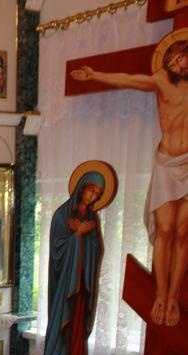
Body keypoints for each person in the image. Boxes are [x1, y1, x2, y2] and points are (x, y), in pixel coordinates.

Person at [71, 37, 188, 326]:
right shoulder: (162, 81)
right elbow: (129, 79)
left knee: (184, 234)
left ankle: (173, 296)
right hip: (167, 163)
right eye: (177, 59)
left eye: (184, 59)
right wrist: (95, 74)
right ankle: (160, 293)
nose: (180, 64)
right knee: (165, 229)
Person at [38, 171, 108, 355]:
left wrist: (86, 239)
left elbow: (96, 250)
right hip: (64, 289)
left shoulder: (92, 219)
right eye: (91, 190)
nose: (93, 196)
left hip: (81, 288)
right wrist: (77, 236)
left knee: (77, 336)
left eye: (97, 194)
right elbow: (56, 251)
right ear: (81, 187)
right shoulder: (61, 214)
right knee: (61, 332)